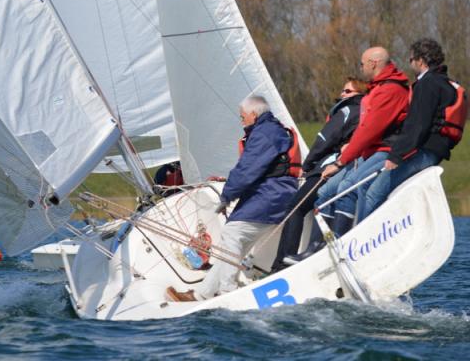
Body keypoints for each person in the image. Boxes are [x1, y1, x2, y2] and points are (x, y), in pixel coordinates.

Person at [166, 95, 297, 301]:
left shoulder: (265, 133)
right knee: (232, 245)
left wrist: (226, 196)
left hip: (272, 195)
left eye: (242, 117)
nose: (241, 121)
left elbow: (247, 169)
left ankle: (229, 291)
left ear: (253, 114)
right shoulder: (270, 130)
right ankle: (202, 294)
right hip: (272, 193)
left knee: (232, 232)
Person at [304, 47, 410, 255]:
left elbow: (369, 130)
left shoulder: (391, 90)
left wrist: (341, 161)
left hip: (385, 150)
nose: (360, 68)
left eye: (362, 63)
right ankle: (316, 249)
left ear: (373, 63)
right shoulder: (378, 88)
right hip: (366, 152)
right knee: (325, 192)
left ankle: (342, 246)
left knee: (347, 188)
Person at [270, 77, 366, 271]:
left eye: (347, 91)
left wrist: (307, 164)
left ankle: (282, 264)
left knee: (295, 208)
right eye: (343, 90)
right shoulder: (365, 111)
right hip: (345, 168)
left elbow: (325, 138)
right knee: (308, 206)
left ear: (359, 93)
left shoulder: (348, 110)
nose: (342, 94)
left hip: (327, 168)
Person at [361, 38, 464, 218]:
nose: (409, 64)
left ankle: (361, 235)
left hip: (423, 152)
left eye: (410, 60)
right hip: (436, 152)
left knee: (372, 192)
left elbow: (418, 125)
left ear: (421, 61)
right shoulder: (446, 83)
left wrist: (396, 155)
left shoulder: (427, 83)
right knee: (386, 193)